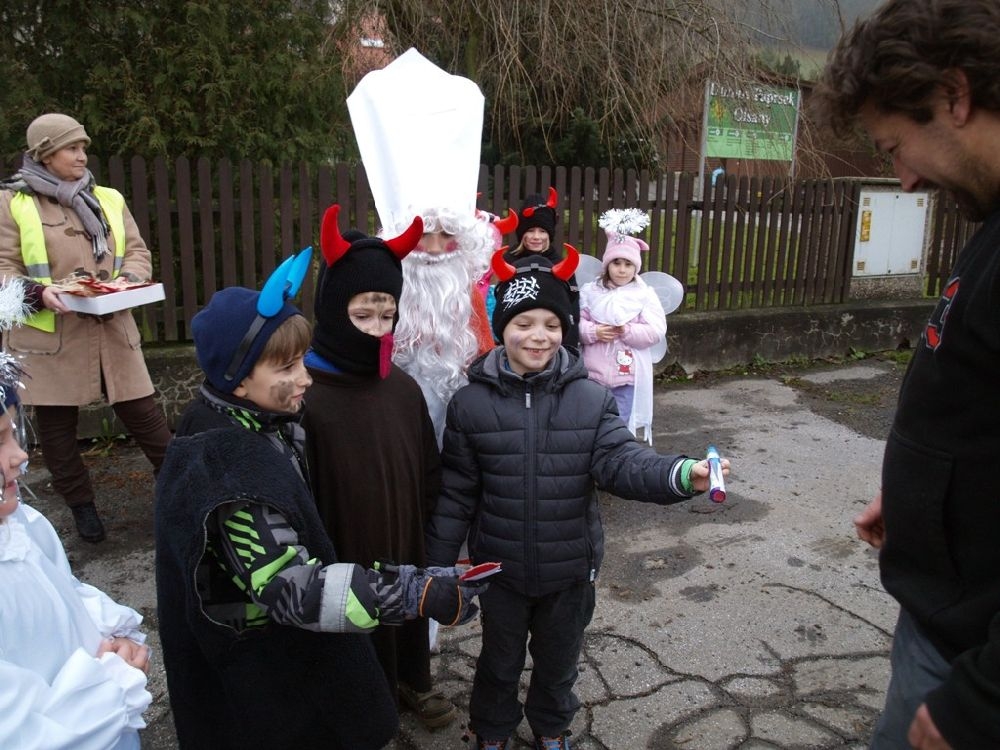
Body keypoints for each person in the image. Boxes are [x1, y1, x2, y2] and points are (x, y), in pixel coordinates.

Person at [154, 249, 484, 749]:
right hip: (255, 664)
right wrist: (412, 592)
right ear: (238, 377)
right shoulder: (229, 475)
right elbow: (294, 589)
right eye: (286, 367)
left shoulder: (258, 422)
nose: (305, 378)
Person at [425, 248, 730, 750]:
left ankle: (551, 725)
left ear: (565, 328)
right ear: (502, 327)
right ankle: (492, 728)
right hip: (498, 570)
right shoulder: (470, 403)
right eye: (524, 322)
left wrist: (681, 474)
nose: (537, 336)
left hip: (570, 568)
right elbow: (457, 492)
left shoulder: (589, 398)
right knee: (498, 661)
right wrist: (437, 567)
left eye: (550, 323)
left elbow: (622, 460)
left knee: (559, 660)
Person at [811, 1, 1000, 747]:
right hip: (944, 612)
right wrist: (921, 496)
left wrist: (979, 702)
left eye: (895, 146)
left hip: (969, 661)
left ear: (955, 96)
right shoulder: (990, 225)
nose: (905, 181)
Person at [301, 205, 460, 729]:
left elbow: (428, 471)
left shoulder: (402, 388)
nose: (375, 330)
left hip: (401, 537)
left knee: (401, 611)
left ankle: (412, 681)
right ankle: (362, 702)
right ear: (331, 310)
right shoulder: (306, 395)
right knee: (352, 627)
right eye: (361, 315)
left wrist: (433, 533)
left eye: (387, 316)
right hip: (340, 543)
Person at [0, 112, 172, 544]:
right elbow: (3, 268)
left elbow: (137, 252)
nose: (82, 156)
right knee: (58, 431)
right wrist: (41, 294)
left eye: (83, 147)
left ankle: (181, 493)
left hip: (112, 328)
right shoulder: (12, 203)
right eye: (71, 148)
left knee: (148, 419)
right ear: (45, 153)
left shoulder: (108, 198)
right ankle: (82, 509)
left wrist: (126, 283)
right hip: (50, 335)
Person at [0, 279, 152, 749]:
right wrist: (112, 684)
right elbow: (22, 730)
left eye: (10, 435)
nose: (21, 456)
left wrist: (113, 635)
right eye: (0, 442)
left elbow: (63, 593)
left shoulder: (23, 526)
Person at [347, 46, 498, 444]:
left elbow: (486, 357)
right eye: (421, 236)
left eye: (447, 236)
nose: (432, 249)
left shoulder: (471, 300)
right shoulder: (377, 298)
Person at [579, 208, 667, 444]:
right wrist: (594, 331)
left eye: (628, 264)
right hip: (594, 374)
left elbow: (655, 330)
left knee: (620, 423)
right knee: (592, 422)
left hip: (626, 377)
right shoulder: (591, 292)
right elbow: (577, 322)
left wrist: (628, 331)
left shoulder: (643, 295)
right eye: (616, 262)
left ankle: (618, 459)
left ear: (635, 267)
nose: (621, 269)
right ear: (607, 264)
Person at [501, 188, 581, 349]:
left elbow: (572, 309)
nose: (536, 236)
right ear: (522, 233)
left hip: (550, 344)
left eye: (542, 231)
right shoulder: (506, 262)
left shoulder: (561, 265)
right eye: (530, 231)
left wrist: (569, 348)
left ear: (549, 234)